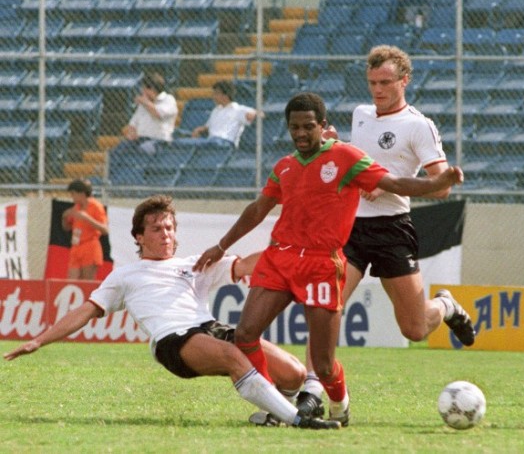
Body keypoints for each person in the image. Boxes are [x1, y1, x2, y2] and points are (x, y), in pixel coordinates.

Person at [192, 92, 464, 427]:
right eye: (295, 127)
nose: (301, 133)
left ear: (324, 126)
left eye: (308, 126)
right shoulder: (285, 166)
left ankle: (340, 402)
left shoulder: (347, 157)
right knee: (245, 334)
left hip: (322, 265)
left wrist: (438, 182)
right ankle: (279, 408)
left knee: (322, 365)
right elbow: (258, 210)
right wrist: (221, 246)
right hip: (281, 258)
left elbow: (394, 182)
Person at [6, 195, 340, 430]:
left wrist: (293, 249)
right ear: (139, 237)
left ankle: (272, 414)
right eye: (156, 229)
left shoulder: (194, 264)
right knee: (234, 356)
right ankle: (298, 420)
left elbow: (249, 265)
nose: (166, 234)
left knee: (294, 374)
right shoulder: (125, 275)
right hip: (174, 341)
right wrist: (40, 340)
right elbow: (84, 311)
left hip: (211, 328)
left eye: (169, 228)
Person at [293, 46, 476, 420]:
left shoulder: (417, 126)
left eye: (386, 82)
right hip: (350, 228)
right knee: (326, 307)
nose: (378, 89)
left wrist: (388, 186)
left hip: (393, 229)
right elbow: (352, 157)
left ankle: (445, 305)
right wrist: (332, 143)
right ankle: (312, 388)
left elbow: (439, 186)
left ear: (404, 80)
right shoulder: (361, 115)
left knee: (414, 329)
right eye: (373, 82)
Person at [191, 80, 262, 149]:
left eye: (216, 94)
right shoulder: (216, 110)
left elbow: (260, 114)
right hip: (211, 142)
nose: (213, 96)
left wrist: (252, 115)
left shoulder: (238, 109)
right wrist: (198, 129)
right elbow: (208, 126)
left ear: (226, 95)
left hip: (226, 143)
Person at [61, 179, 109, 280]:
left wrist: (87, 218)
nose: (72, 197)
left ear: (81, 193)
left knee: (87, 282)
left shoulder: (96, 206)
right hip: (76, 246)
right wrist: (65, 218)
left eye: (73, 194)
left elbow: (105, 230)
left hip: (90, 246)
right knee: (71, 281)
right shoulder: (76, 207)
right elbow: (67, 228)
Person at [120, 72, 178, 155]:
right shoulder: (144, 105)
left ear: (152, 89)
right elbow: (132, 124)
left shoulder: (168, 99)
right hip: (139, 140)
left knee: (142, 150)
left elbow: (158, 114)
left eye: (144, 89)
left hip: (158, 141)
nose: (142, 91)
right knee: (118, 150)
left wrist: (144, 101)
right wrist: (132, 133)